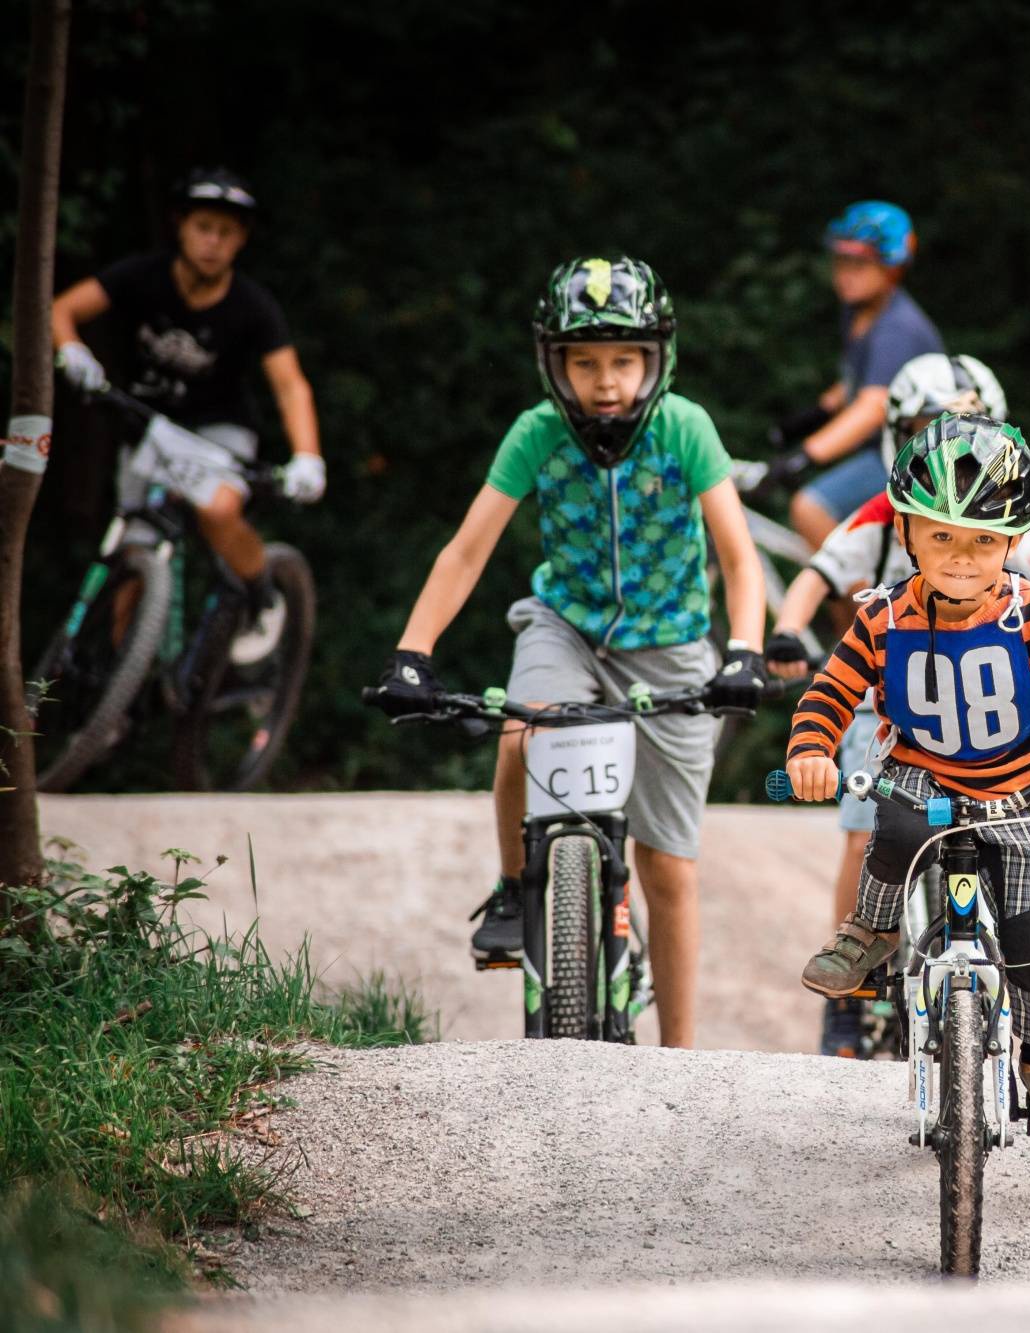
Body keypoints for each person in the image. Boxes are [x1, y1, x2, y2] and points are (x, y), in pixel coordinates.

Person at [368, 256, 767, 1048]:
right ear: (554, 364)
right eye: (584, 362)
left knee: (668, 866)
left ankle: (681, 1056)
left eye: (624, 360)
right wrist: (412, 651)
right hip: (567, 627)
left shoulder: (685, 427)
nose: (606, 380)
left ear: (657, 360)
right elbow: (466, 551)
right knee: (522, 730)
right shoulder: (537, 432)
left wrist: (745, 651)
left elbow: (739, 555)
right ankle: (516, 887)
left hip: (672, 644)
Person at [784, 414, 1030, 1147]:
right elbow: (829, 693)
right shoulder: (883, 618)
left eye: (983, 539)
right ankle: (873, 929)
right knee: (895, 827)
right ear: (906, 534)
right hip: (922, 778)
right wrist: (811, 751)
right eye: (941, 535)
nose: (960, 556)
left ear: (1012, 543)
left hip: (1019, 791)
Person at [763, 353, 1030, 1057]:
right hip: (892, 713)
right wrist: (787, 634)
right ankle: (858, 973)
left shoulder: (1008, 533)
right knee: (869, 831)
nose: (962, 547)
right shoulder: (883, 521)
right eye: (927, 428)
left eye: (968, 425)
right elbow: (818, 581)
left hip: (998, 738)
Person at [52, 167, 325, 644]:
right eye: (203, 227)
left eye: (226, 232)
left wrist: (308, 456)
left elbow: (289, 386)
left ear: (241, 240)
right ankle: (123, 677)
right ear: (181, 226)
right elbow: (63, 309)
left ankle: (260, 596)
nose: (212, 242)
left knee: (217, 510)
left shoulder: (253, 305)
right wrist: (71, 348)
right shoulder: (142, 275)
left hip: (217, 431)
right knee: (131, 554)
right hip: (147, 427)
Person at [770, 201, 945, 550]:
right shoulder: (858, 311)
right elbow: (860, 380)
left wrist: (806, 455)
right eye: (841, 261)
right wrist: (814, 415)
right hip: (886, 448)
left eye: (860, 264)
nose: (845, 274)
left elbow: (872, 406)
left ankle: (859, 589)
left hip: (917, 458)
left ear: (892, 268)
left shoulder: (896, 328)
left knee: (810, 509)